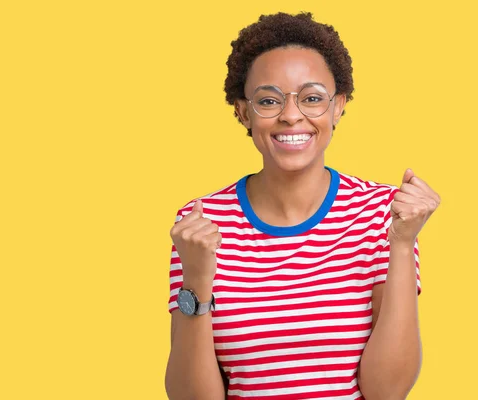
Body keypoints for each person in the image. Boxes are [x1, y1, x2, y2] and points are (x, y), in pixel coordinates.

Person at [164, 11, 440, 400]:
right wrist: (196, 281)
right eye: (268, 100)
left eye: (312, 98)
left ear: (338, 106)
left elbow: (387, 391)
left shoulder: (382, 214)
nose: (291, 116)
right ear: (243, 111)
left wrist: (401, 243)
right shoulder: (201, 224)